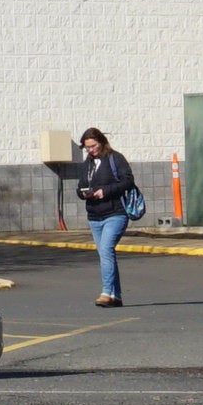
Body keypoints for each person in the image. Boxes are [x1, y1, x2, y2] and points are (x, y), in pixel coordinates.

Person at [74, 125, 140, 307]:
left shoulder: (115, 158)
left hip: (115, 213)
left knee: (106, 251)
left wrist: (106, 191)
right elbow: (80, 186)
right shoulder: (87, 164)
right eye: (87, 147)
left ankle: (105, 292)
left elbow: (128, 181)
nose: (91, 150)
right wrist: (83, 193)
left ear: (102, 142)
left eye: (93, 146)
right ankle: (116, 296)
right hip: (95, 215)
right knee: (105, 255)